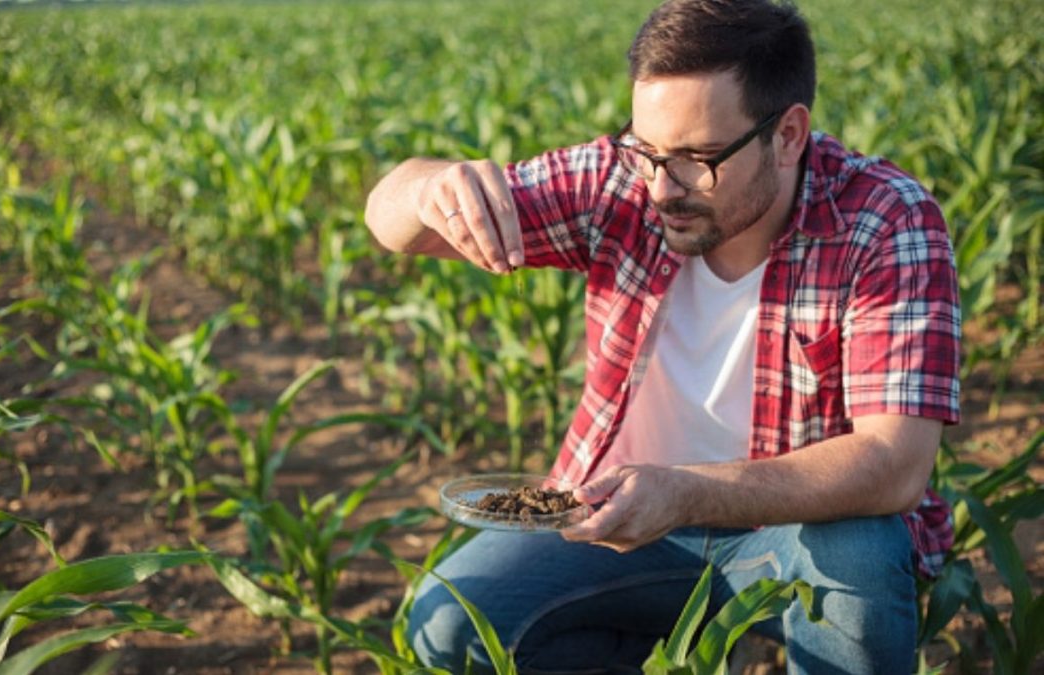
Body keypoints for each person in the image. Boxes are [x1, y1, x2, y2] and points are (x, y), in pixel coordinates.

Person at [364, 0, 961, 672]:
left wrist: (686, 490)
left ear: (789, 134)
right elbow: (391, 219)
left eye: (698, 158)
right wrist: (426, 186)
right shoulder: (622, 181)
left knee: (860, 553)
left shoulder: (884, 221)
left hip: (792, 534)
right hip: (621, 528)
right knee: (448, 624)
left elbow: (895, 463)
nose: (661, 186)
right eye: (648, 150)